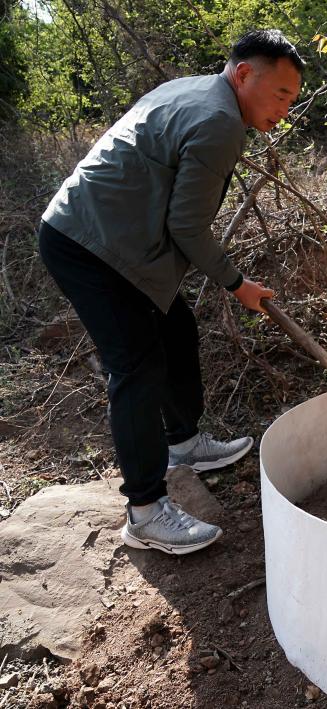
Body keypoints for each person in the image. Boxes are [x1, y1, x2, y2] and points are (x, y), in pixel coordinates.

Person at [37, 30, 303, 555]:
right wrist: (236, 283)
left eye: (292, 100)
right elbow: (187, 226)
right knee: (136, 368)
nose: (285, 111)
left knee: (175, 328)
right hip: (91, 245)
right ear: (244, 73)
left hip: (114, 241)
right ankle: (145, 512)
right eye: (281, 95)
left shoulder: (195, 91)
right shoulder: (219, 120)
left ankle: (183, 443)